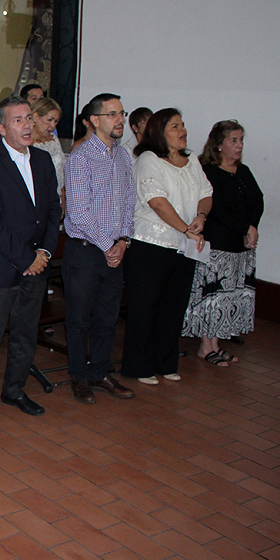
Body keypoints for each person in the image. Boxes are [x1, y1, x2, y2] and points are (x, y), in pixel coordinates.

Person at [0, 96, 62, 427]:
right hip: (1, 266)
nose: (27, 125)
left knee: (25, 333)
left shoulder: (43, 160)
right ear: (1, 127)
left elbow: (53, 210)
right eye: (18, 120)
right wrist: (26, 258)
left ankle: (15, 389)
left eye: (29, 118)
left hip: (37, 262)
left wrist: (44, 253)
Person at [122, 108, 213, 385]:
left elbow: (206, 193)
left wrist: (200, 217)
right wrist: (186, 228)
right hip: (151, 244)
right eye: (175, 126)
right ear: (160, 133)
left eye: (182, 125)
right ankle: (139, 365)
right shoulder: (148, 160)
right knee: (145, 305)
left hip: (183, 245)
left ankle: (165, 362)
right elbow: (157, 202)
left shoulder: (191, 160)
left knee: (173, 305)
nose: (182, 130)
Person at [62, 93, 136, 404]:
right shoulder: (79, 158)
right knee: (80, 317)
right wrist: (109, 246)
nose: (120, 120)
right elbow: (78, 211)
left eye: (122, 113)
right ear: (95, 120)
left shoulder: (123, 156)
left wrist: (123, 240)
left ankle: (101, 372)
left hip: (114, 250)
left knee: (107, 316)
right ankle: (79, 376)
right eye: (112, 114)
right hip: (85, 250)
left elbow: (129, 203)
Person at [182, 120, 263, 365]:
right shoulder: (208, 171)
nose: (239, 146)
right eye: (233, 140)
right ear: (218, 145)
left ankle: (216, 342)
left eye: (241, 140)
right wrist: (244, 227)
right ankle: (205, 347)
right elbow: (215, 208)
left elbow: (257, 201)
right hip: (218, 245)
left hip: (241, 245)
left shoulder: (244, 171)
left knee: (231, 296)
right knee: (214, 296)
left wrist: (253, 229)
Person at [31, 97, 66, 209]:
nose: (53, 126)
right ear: (36, 117)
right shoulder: (25, 142)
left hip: (55, 199)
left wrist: (63, 201)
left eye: (56, 121)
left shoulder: (54, 139)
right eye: (49, 120)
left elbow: (62, 173)